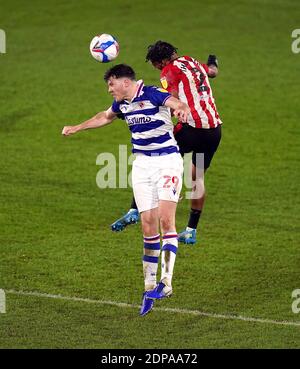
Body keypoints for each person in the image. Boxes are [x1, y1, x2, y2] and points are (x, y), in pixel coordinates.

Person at [62, 64, 190, 316]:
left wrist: (182, 109)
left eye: (111, 84)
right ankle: (149, 286)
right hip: (142, 165)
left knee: (166, 220)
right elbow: (104, 116)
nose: (109, 89)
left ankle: (166, 283)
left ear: (124, 81)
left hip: (167, 162)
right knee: (147, 225)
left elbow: (175, 102)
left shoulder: (152, 93)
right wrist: (77, 127)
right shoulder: (122, 104)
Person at [112, 41, 222, 245]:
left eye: (155, 64)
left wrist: (135, 110)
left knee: (153, 154)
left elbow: (168, 100)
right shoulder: (192, 61)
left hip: (191, 129)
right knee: (197, 177)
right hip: (214, 130)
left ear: (162, 61)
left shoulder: (169, 71)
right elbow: (213, 72)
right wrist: (212, 61)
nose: (156, 68)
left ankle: (135, 211)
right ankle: (191, 230)